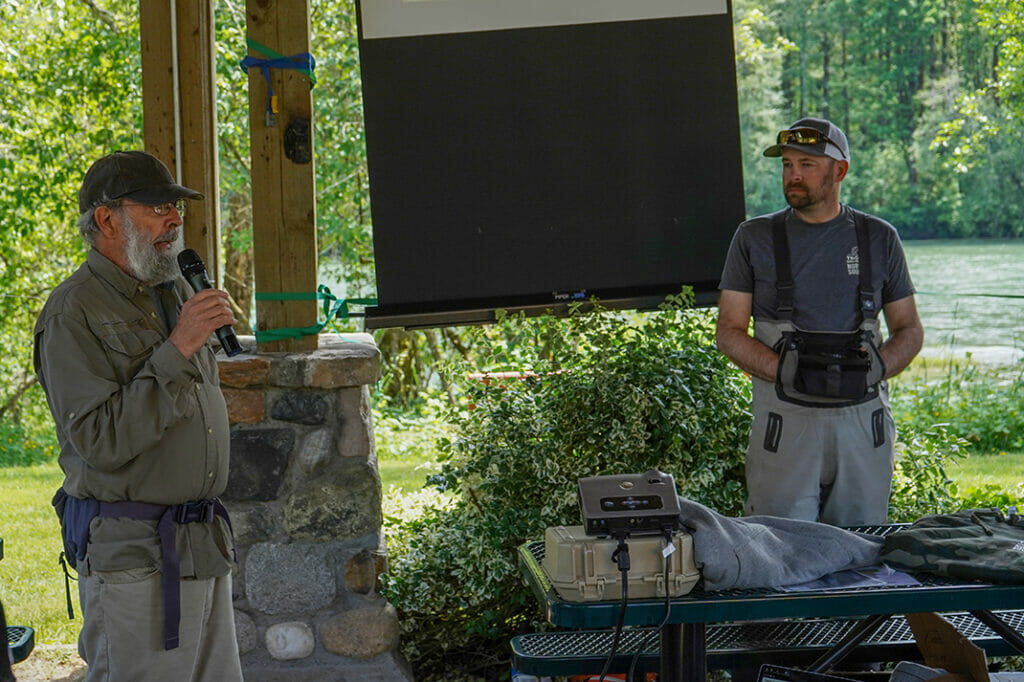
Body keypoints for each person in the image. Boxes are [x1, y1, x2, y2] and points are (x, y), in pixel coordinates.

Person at [33, 150, 244, 681]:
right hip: (134, 556)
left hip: (199, 546)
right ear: (107, 219)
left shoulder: (171, 293)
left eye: (176, 209)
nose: (174, 220)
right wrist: (179, 347)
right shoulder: (72, 311)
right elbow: (99, 440)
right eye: (157, 208)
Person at [716, 118, 924, 526]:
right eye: (788, 164)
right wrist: (787, 370)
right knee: (780, 555)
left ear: (840, 170)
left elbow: (910, 330)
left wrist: (875, 369)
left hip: (863, 426)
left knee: (861, 554)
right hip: (785, 424)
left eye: (807, 165)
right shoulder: (753, 238)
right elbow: (728, 331)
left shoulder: (880, 238)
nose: (793, 175)